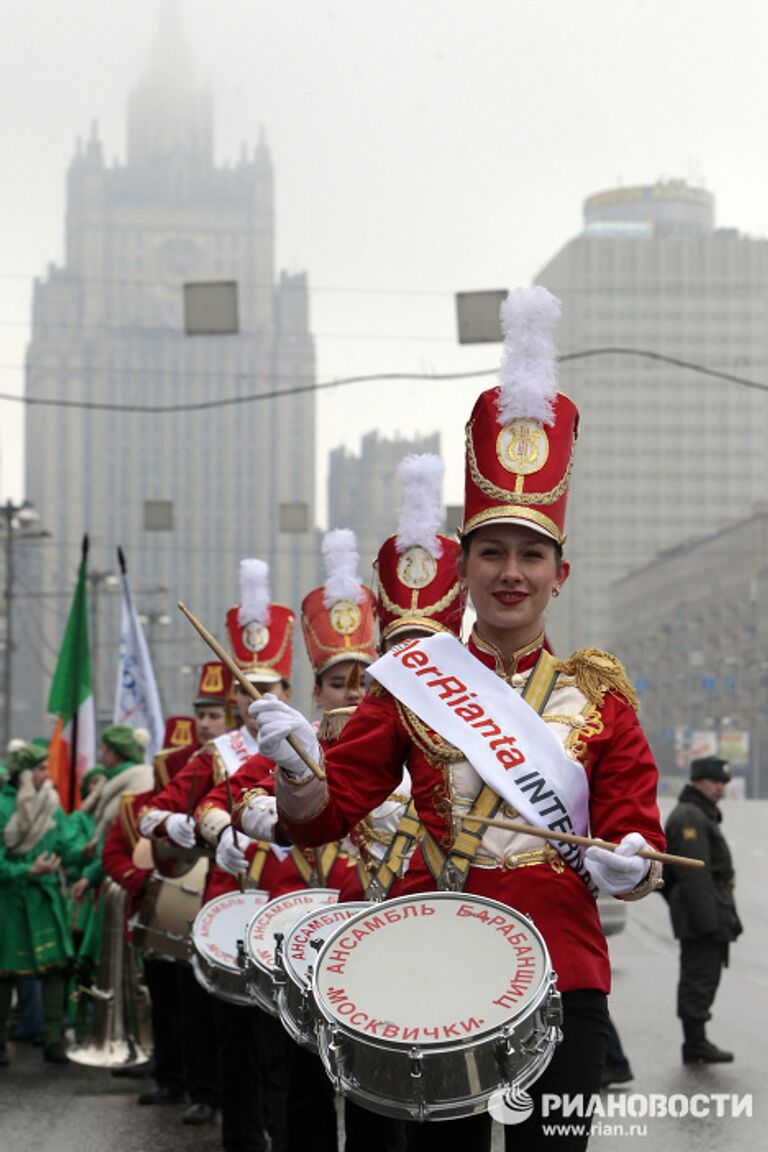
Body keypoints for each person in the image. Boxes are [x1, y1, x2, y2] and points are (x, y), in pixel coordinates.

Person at [248, 287, 666, 1152]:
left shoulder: (601, 694)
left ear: (561, 572)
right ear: (467, 566)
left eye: (531, 555)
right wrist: (294, 765)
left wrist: (630, 863)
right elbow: (327, 812)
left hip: (565, 966)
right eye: (492, 552)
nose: (511, 572)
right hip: (435, 958)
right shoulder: (412, 683)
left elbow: (633, 822)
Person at [0, 741, 81, 1065]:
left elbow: (65, 843)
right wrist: (26, 870)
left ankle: (52, 1039)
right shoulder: (4, 806)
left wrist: (84, 853)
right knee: (5, 972)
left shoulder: (52, 803)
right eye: (40, 768)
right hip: (11, 902)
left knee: (56, 969)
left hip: (46, 899)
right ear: (23, 774)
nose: (47, 774)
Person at [663, 755, 741, 1064]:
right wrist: (709, 923)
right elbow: (694, 876)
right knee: (698, 978)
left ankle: (697, 1040)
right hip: (702, 917)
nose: (720, 788)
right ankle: (695, 1043)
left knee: (704, 978)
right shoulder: (691, 817)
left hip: (709, 912)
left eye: (723, 783)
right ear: (697, 781)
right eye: (714, 782)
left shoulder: (700, 813)